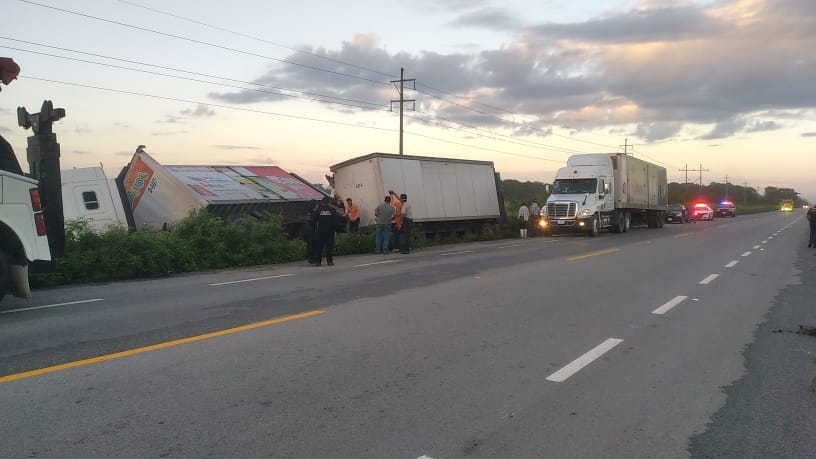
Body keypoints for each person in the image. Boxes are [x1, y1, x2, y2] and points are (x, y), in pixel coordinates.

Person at [311, 196, 339, 266]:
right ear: (329, 202)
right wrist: (335, 229)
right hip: (330, 231)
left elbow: (313, 221)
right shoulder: (332, 210)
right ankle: (329, 261)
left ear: (322, 202)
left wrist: (314, 230)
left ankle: (318, 261)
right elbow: (336, 222)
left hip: (320, 231)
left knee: (319, 247)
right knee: (329, 247)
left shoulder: (318, 210)